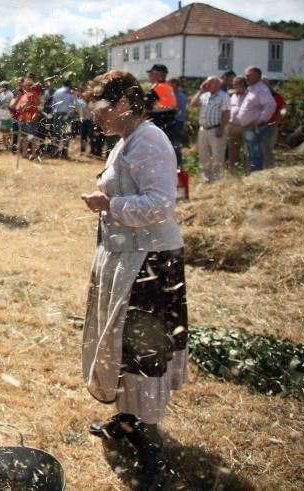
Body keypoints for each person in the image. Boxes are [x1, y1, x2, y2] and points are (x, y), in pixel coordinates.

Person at [79, 70, 188, 489]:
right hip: (127, 256)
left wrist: (109, 203)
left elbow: (161, 204)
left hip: (150, 262)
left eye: (103, 109)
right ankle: (127, 420)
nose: (98, 118)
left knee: (144, 352)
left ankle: (149, 444)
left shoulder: (150, 140)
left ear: (125, 104)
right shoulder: (127, 141)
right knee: (122, 342)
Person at [232, 66, 276, 173]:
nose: (246, 78)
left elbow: (270, 105)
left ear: (257, 76)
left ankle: (258, 176)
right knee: (252, 154)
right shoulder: (252, 89)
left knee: (257, 154)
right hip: (249, 128)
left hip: (256, 128)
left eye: (249, 75)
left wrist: (261, 120)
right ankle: (253, 175)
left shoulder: (261, 89)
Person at [192, 76, 230, 183]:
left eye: (215, 83)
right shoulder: (205, 95)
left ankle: (216, 177)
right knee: (204, 154)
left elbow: (226, 114)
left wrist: (222, 128)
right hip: (203, 129)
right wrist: (201, 90)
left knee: (217, 154)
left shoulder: (224, 96)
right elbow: (194, 103)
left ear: (219, 85)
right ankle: (206, 176)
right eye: (209, 83)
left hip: (216, 128)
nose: (212, 85)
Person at [144, 64, 178, 167]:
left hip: (159, 123)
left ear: (157, 75)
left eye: (151, 74)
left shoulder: (156, 88)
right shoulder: (168, 87)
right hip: (170, 123)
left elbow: (146, 108)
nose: (149, 76)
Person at [13, 73, 42, 160]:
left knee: (32, 137)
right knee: (23, 137)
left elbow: (32, 104)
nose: (25, 87)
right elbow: (17, 107)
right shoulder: (24, 95)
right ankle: (24, 153)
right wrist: (20, 107)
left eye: (27, 85)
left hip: (30, 118)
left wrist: (22, 107)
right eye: (25, 85)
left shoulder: (33, 94)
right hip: (23, 118)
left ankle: (34, 154)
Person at [49, 79, 79, 159]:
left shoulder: (57, 92)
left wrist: (53, 113)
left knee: (56, 134)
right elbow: (75, 103)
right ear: (69, 85)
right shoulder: (71, 92)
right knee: (66, 134)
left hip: (57, 114)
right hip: (67, 115)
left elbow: (53, 103)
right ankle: (64, 154)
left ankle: (54, 152)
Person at [262, 79, 285, 169]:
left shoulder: (276, 97)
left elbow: (283, 108)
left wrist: (279, 118)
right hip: (255, 127)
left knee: (267, 148)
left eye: (265, 84)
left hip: (270, 126)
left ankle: (269, 168)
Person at [226, 76, 247, 172]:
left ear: (243, 84)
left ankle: (248, 171)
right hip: (233, 126)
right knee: (233, 149)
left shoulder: (250, 95)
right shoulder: (233, 96)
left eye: (236, 84)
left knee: (247, 150)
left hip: (245, 126)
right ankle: (233, 171)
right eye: (234, 84)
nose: (234, 86)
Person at [0, 81, 15, 153]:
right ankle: (4, 145)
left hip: (7, 115)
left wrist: (4, 104)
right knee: (2, 130)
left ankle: (8, 145)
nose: (1, 88)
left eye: (2, 86)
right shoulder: (1, 94)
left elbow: (7, 104)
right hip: (1, 115)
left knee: (8, 130)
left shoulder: (10, 94)